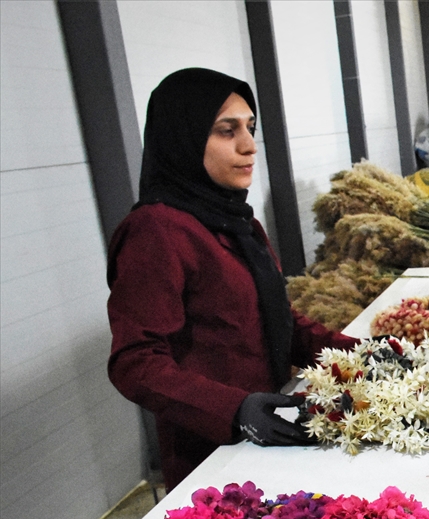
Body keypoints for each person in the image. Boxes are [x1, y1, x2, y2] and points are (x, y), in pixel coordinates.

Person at [107, 68, 358, 490]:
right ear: (184, 139)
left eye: (250, 128)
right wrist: (235, 409)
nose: (249, 146)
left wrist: (361, 357)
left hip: (272, 432)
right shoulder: (157, 231)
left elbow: (278, 322)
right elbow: (135, 363)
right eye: (227, 131)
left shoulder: (238, 223)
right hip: (212, 456)